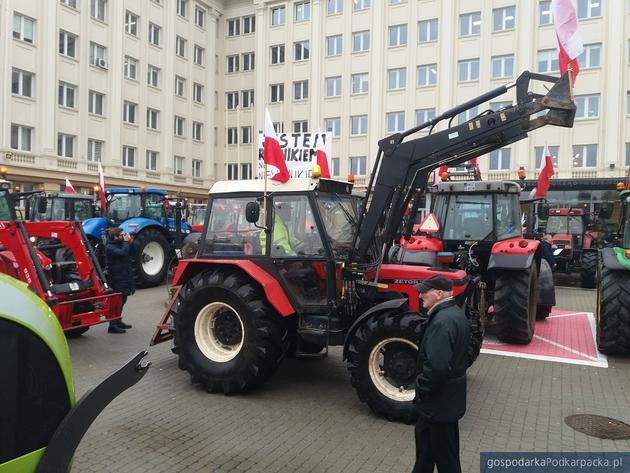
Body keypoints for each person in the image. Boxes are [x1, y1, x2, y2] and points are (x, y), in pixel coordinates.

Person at [413, 275, 470, 473]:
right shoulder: (456, 314)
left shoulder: (441, 323)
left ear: (438, 294)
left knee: (447, 461)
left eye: (424, 292)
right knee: (425, 455)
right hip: (443, 404)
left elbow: (437, 368)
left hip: (438, 404)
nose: (420, 295)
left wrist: (420, 386)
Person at [105, 227, 135, 334]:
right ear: (115, 236)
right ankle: (112, 325)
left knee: (123, 299)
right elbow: (122, 253)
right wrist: (126, 243)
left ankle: (118, 320)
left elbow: (131, 253)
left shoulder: (120, 244)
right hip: (116, 278)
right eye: (121, 235)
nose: (123, 237)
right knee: (117, 301)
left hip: (124, 275)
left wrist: (131, 243)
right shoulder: (110, 247)